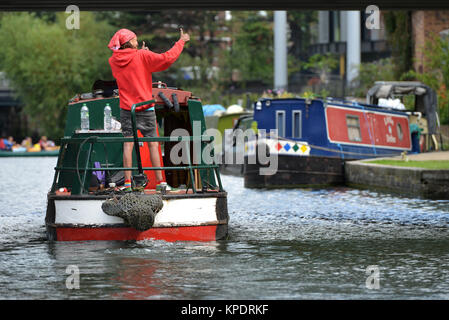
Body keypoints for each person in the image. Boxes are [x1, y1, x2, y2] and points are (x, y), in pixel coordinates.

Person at [108, 27, 190, 191]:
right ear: (129, 42)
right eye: (135, 39)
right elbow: (167, 59)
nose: (137, 42)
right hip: (145, 108)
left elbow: (132, 67)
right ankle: (161, 183)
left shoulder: (113, 61)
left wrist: (144, 55)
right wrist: (181, 41)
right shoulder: (142, 56)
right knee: (153, 144)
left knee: (128, 145)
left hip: (126, 109)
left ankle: (127, 184)